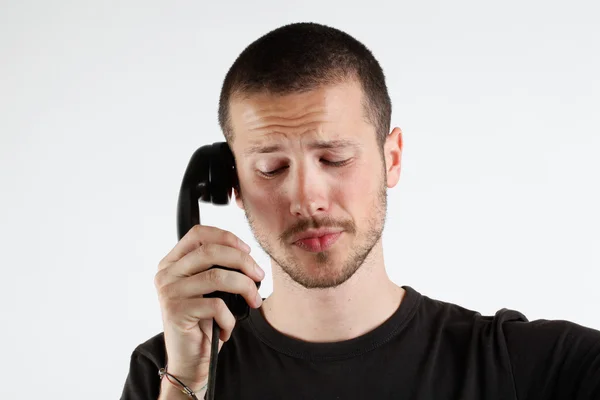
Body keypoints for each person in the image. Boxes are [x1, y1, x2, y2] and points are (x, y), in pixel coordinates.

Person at [120, 22, 600, 400]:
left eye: (335, 159)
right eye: (270, 168)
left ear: (392, 158)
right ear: (233, 185)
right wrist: (188, 381)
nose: (307, 199)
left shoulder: (536, 365)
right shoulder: (168, 373)